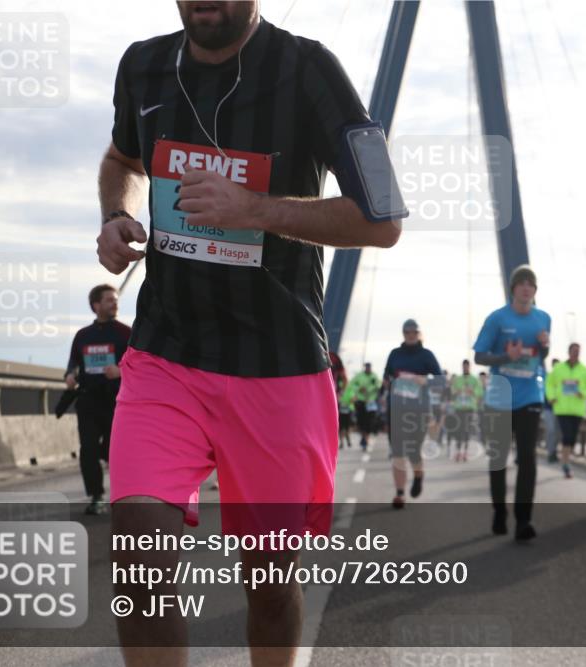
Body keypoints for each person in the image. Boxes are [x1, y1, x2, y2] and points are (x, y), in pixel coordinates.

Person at [96, 2, 403, 663]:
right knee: (138, 558)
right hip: (166, 356)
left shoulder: (311, 69)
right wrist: (116, 214)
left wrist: (256, 210)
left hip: (277, 368)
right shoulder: (143, 66)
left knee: (267, 584)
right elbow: (121, 158)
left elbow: (383, 220)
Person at [474, 265, 551, 542]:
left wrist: (545, 346)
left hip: (530, 395)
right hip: (500, 396)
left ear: (535, 290)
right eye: (521, 283)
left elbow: (541, 355)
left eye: (531, 284)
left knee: (528, 457)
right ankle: (498, 511)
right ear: (513, 288)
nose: (526, 287)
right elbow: (480, 357)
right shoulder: (497, 319)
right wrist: (507, 357)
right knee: (498, 459)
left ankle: (523, 520)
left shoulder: (543, 318)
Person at [64, 285, 131, 515]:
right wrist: (70, 375)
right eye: (109, 300)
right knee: (88, 450)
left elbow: (140, 366)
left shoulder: (126, 333)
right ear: (96, 305)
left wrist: (122, 371)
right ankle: (96, 496)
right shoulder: (83, 336)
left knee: (115, 450)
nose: (115, 303)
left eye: (115, 299)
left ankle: (124, 496)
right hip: (88, 401)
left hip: (118, 402)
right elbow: (73, 362)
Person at [383, 319, 442, 508]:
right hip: (396, 409)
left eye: (413, 332)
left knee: (413, 451)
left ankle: (418, 475)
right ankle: (400, 493)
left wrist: (425, 381)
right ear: (403, 333)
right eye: (407, 332)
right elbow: (386, 377)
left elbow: (441, 381)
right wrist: (389, 384)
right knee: (397, 452)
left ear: (418, 334)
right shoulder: (394, 354)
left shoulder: (426, 355)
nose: (410, 335)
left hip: (418, 411)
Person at [545, 344, 586, 479]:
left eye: (578, 352)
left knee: (572, 437)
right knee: (566, 435)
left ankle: (566, 458)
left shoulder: (585, 371)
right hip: (561, 408)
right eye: (574, 351)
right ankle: (566, 463)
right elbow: (549, 384)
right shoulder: (558, 369)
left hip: (577, 409)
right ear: (569, 352)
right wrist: (551, 397)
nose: (576, 354)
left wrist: (583, 393)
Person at [450, 359, 483, 462]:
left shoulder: (475, 380)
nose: (465, 368)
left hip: (469, 408)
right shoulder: (457, 379)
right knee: (458, 430)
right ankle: (458, 452)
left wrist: (472, 392)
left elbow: (480, 393)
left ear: (469, 367)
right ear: (462, 367)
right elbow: (452, 393)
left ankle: (465, 452)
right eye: (463, 366)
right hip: (458, 408)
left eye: (467, 366)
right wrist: (458, 392)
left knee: (466, 430)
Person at [347, 363, 381, 451]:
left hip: (370, 402)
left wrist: (369, 390)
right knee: (361, 422)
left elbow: (378, 385)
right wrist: (359, 389)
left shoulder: (374, 376)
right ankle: (363, 437)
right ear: (365, 368)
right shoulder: (359, 376)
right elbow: (352, 385)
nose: (368, 368)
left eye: (369, 367)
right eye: (366, 367)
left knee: (369, 422)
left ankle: (365, 439)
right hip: (360, 402)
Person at [329, 351, 353, 449]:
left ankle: (340, 441)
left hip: (335, 397)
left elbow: (344, 378)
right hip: (318, 398)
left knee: (341, 423)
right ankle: (340, 441)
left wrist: (340, 393)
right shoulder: (312, 352)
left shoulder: (334, 357)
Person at [542, 357, 560, 463]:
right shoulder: (547, 377)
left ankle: (554, 451)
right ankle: (550, 452)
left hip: (560, 409)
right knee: (551, 430)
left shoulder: (562, 379)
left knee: (558, 432)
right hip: (548, 409)